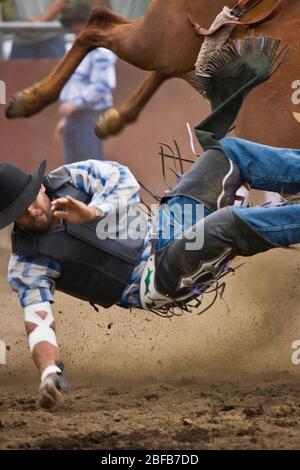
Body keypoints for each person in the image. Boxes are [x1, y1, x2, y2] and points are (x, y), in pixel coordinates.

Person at [2, 36, 296, 409]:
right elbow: (38, 321)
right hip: (154, 278)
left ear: (39, 186)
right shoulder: (28, 262)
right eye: (19, 215)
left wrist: (93, 213)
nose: (30, 214)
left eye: (30, 202)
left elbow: (121, 180)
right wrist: (47, 372)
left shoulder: (71, 177)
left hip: (167, 223)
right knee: (226, 223)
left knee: (226, 152)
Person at [55, 2, 117, 163]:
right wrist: (67, 119)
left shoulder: (99, 52)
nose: (77, 27)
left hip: (90, 117)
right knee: (74, 169)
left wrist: (75, 104)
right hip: (77, 118)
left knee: (89, 167)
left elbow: (103, 85)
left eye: (81, 23)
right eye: (75, 23)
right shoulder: (76, 50)